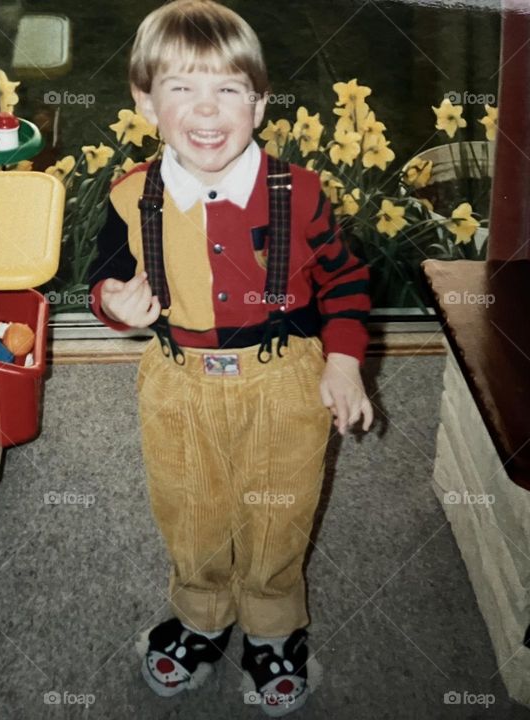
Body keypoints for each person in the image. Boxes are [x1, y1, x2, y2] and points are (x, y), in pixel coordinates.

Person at [88, 1, 373, 716]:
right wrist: (112, 302)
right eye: (181, 88)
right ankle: (200, 613)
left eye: (228, 90)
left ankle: (275, 625)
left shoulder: (300, 195)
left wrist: (342, 362)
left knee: (281, 507)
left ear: (260, 102)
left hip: (283, 380)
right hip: (176, 384)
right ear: (145, 101)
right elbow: (105, 275)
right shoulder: (131, 198)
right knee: (190, 506)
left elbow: (345, 280)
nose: (206, 111)